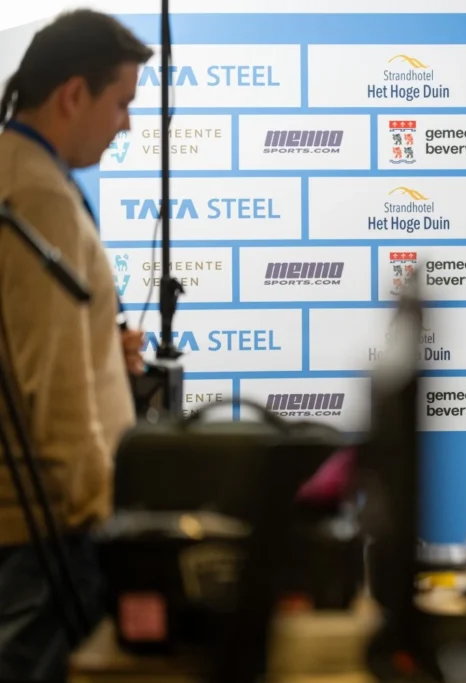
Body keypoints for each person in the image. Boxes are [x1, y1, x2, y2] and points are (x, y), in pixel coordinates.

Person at [0, 10, 151, 679]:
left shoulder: (23, 171)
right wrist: (102, 516)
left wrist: (102, 351)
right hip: (49, 526)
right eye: (120, 103)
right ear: (72, 94)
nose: (127, 124)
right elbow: (53, 385)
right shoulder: (39, 194)